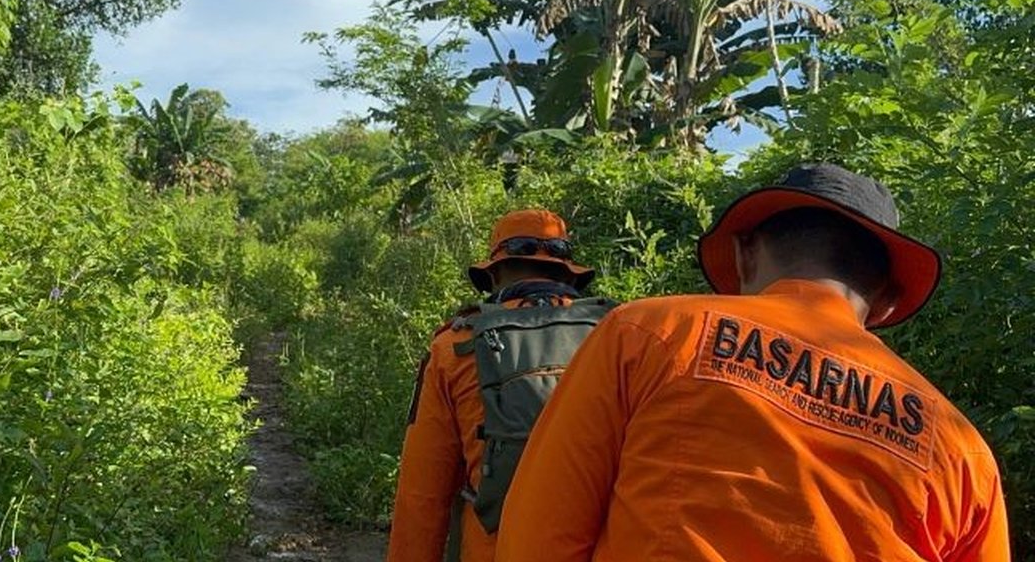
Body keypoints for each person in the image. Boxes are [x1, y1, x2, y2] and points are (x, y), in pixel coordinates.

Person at [496, 163, 1010, 562]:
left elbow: (538, 538)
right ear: (888, 303)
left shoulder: (647, 333)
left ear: (744, 254)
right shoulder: (960, 450)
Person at [386, 209, 609, 562]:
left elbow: (422, 495)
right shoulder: (617, 337)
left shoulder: (455, 346)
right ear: (568, 273)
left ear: (494, 274)